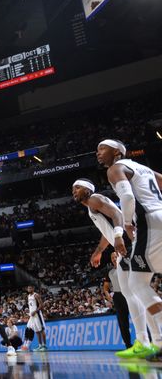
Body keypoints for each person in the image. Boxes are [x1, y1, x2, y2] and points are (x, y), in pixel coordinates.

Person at [97, 140, 162, 357]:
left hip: (149, 223)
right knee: (139, 283)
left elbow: (126, 196)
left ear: (116, 152)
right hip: (159, 217)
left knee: (136, 283)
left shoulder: (116, 168)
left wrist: (126, 223)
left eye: (101, 149)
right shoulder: (143, 168)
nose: (98, 153)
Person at [71, 176, 149, 357]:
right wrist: (98, 251)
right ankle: (142, 341)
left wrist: (119, 237)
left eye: (77, 188)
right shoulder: (92, 207)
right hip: (121, 249)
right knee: (130, 294)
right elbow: (107, 231)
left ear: (87, 189)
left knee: (139, 292)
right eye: (73, 189)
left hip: (130, 245)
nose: (74, 191)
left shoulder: (94, 199)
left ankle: (151, 340)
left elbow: (118, 215)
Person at [104, 252, 133, 349]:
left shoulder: (126, 266)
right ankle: (128, 345)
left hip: (129, 293)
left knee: (137, 317)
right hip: (118, 296)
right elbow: (106, 286)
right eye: (112, 257)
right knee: (122, 322)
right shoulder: (110, 272)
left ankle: (145, 341)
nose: (113, 258)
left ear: (119, 257)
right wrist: (107, 293)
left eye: (115, 256)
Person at [20, 285, 47, 351]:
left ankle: (44, 346)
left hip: (37, 314)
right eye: (28, 288)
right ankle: (40, 345)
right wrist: (29, 311)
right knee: (36, 331)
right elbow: (32, 306)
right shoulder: (28, 296)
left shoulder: (36, 295)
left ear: (33, 288)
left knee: (41, 330)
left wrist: (35, 311)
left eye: (30, 288)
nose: (29, 289)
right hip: (32, 316)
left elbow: (41, 305)